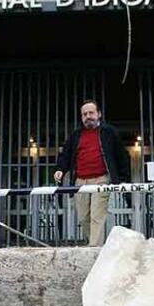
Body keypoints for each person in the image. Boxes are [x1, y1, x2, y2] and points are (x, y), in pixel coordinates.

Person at [54, 99, 130, 246]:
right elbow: (66, 154)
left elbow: (121, 155)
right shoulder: (76, 135)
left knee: (97, 215)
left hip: (102, 179)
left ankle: (93, 249)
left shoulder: (109, 132)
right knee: (83, 217)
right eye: (84, 114)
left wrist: (123, 179)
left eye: (91, 113)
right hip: (80, 181)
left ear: (99, 114)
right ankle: (96, 245)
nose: (87, 116)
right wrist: (60, 169)